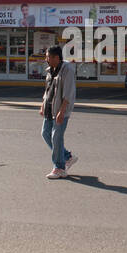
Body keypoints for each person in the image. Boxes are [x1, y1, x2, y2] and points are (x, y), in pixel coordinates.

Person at [40, 44, 77, 179]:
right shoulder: (50, 69)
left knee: (56, 137)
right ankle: (67, 156)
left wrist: (62, 111)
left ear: (56, 57)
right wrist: (43, 105)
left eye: (48, 57)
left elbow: (68, 92)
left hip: (61, 110)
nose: (46, 59)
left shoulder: (67, 70)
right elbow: (48, 90)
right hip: (50, 108)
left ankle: (59, 168)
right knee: (45, 134)